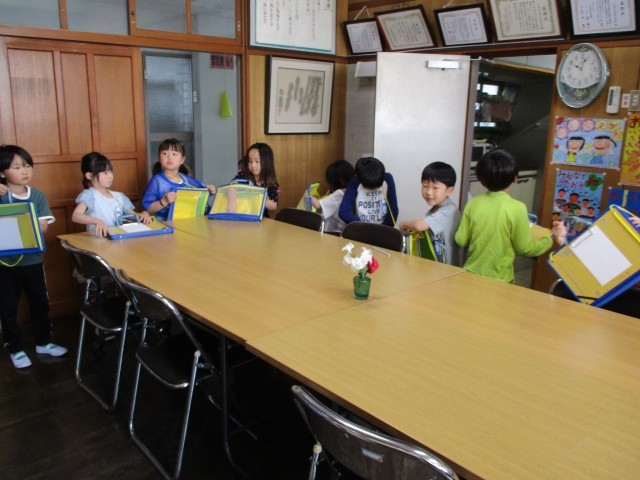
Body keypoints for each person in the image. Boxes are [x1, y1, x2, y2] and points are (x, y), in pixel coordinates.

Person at [0, 144, 67, 369]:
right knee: (8, 306)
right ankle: (15, 348)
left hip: (33, 261)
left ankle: (43, 342)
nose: (24, 171)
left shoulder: (37, 195)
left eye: (27, 165)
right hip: (4, 263)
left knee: (40, 302)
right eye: (17, 167)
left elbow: (43, 227)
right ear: (2, 173)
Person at [455, 149, 567, 283]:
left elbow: (461, 239)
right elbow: (525, 248)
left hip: (470, 274)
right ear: (515, 178)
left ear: (481, 180)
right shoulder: (517, 208)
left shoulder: (473, 203)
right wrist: (549, 238)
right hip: (500, 279)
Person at [72, 152, 152, 236]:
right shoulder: (90, 195)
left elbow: (133, 215)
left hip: (118, 239)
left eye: (110, 171)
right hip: (98, 240)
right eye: (105, 173)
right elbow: (75, 216)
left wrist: (143, 215)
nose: (110, 176)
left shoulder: (118, 196)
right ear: (89, 176)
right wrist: (96, 221)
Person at [399, 162, 461, 265]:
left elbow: (419, 226)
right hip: (435, 264)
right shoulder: (435, 210)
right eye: (425, 186)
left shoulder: (449, 211)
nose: (429, 192)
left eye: (435, 188)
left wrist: (404, 224)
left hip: (447, 268)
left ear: (449, 191)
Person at [142, 138, 216, 221]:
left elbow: (202, 190)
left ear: (182, 159)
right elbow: (148, 208)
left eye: (174, 154)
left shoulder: (187, 180)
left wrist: (210, 190)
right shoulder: (156, 181)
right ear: (159, 158)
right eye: (165, 153)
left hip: (186, 221)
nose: (169, 157)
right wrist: (164, 201)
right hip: (164, 223)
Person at [338, 157, 398, 226]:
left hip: (384, 228)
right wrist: (363, 226)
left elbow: (393, 210)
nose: (375, 188)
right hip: (361, 228)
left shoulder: (387, 178)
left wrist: (384, 228)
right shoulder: (355, 182)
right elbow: (344, 212)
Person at [232, 143, 280, 217]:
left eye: (257, 161)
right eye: (250, 161)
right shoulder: (242, 176)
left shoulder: (271, 183)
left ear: (267, 162)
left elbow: (273, 207)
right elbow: (231, 189)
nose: (253, 165)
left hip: (261, 219)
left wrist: (256, 195)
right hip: (242, 217)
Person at [311, 160, 355, 234]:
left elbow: (318, 205)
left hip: (334, 233)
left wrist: (309, 194)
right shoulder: (352, 191)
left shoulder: (340, 193)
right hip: (346, 233)